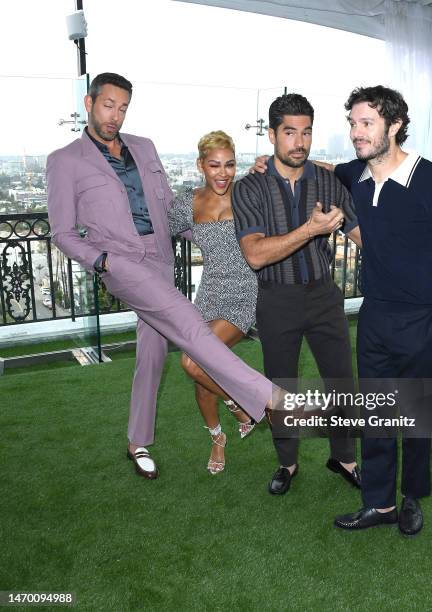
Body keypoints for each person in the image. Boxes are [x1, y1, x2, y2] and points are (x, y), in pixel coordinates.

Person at [46, 72, 283, 481]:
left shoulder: (144, 148)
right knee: (189, 323)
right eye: (108, 105)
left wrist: (218, 235)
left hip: (160, 260)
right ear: (89, 103)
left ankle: (136, 442)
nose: (115, 115)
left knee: (152, 354)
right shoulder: (64, 161)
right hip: (121, 264)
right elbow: (62, 233)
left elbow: (170, 209)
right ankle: (266, 398)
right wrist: (102, 261)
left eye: (122, 107)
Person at [328, 86, 432, 535]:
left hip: (421, 320)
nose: (356, 132)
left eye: (366, 123)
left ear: (395, 125)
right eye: (352, 123)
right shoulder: (358, 175)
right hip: (374, 319)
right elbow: (328, 169)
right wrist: (273, 163)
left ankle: (411, 499)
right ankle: (380, 504)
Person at [233, 93, 362, 496]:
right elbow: (254, 254)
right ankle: (287, 463)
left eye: (306, 132)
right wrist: (311, 229)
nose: (299, 142)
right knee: (280, 386)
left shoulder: (328, 181)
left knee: (342, 380)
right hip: (276, 298)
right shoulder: (249, 188)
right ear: (271, 135)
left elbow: (362, 236)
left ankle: (344, 458)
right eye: (289, 132)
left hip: (324, 296)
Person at [168, 131, 257, 474]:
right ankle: (218, 438)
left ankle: (239, 404)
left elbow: (292, 177)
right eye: (214, 165)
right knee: (202, 373)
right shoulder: (187, 203)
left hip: (245, 292)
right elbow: (157, 233)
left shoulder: (249, 194)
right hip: (208, 293)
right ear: (200, 165)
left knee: (193, 362)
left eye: (230, 164)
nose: (223, 172)